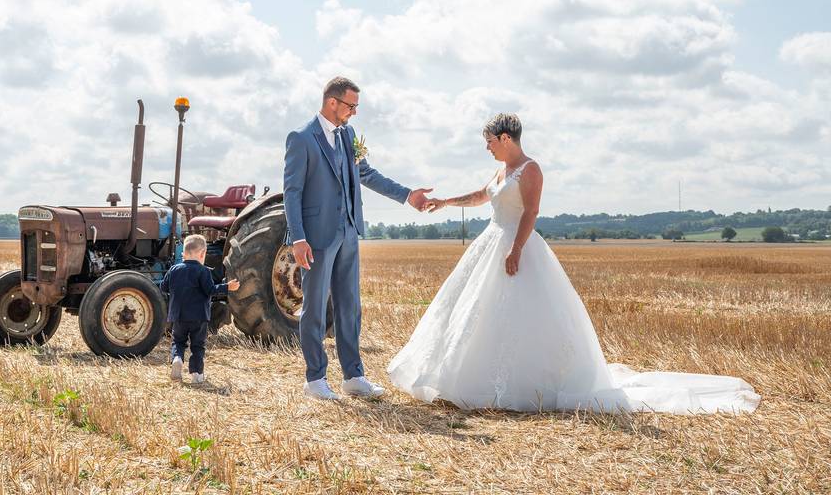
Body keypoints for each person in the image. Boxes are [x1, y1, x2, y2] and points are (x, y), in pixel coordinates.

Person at [387, 113, 761, 414]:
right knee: (474, 312)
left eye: (488, 141)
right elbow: (481, 196)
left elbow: (531, 212)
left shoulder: (530, 169)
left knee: (521, 315)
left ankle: (524, 383)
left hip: (515, 244)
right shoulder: (501, 171)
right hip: (490, 241)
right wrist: (447, 202)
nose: (486, 147)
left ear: (505, 138)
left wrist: (516, 249)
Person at [284, 76, 434, 400]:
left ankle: (353, 376)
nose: (354, 113)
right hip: (317, 237)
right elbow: (292, 192)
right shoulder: (301, 138)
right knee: (313, 307)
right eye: (351, 106)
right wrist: (298, 238)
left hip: (349, 231)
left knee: (350, 306)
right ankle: (315, 379)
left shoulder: (348, 135)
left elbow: (366, 174)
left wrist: (408, 195)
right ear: (332, 102)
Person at [162, 234, 240, 384]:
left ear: (183, 254)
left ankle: (177, 359)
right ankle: (197, 374)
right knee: (198, 345)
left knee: (178, 341)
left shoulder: (174, 269)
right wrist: (227, 287)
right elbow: (211, 290)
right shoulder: (203, 271)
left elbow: (163, 287)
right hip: (199, 317)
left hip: (178, 316)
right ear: (203, 253)